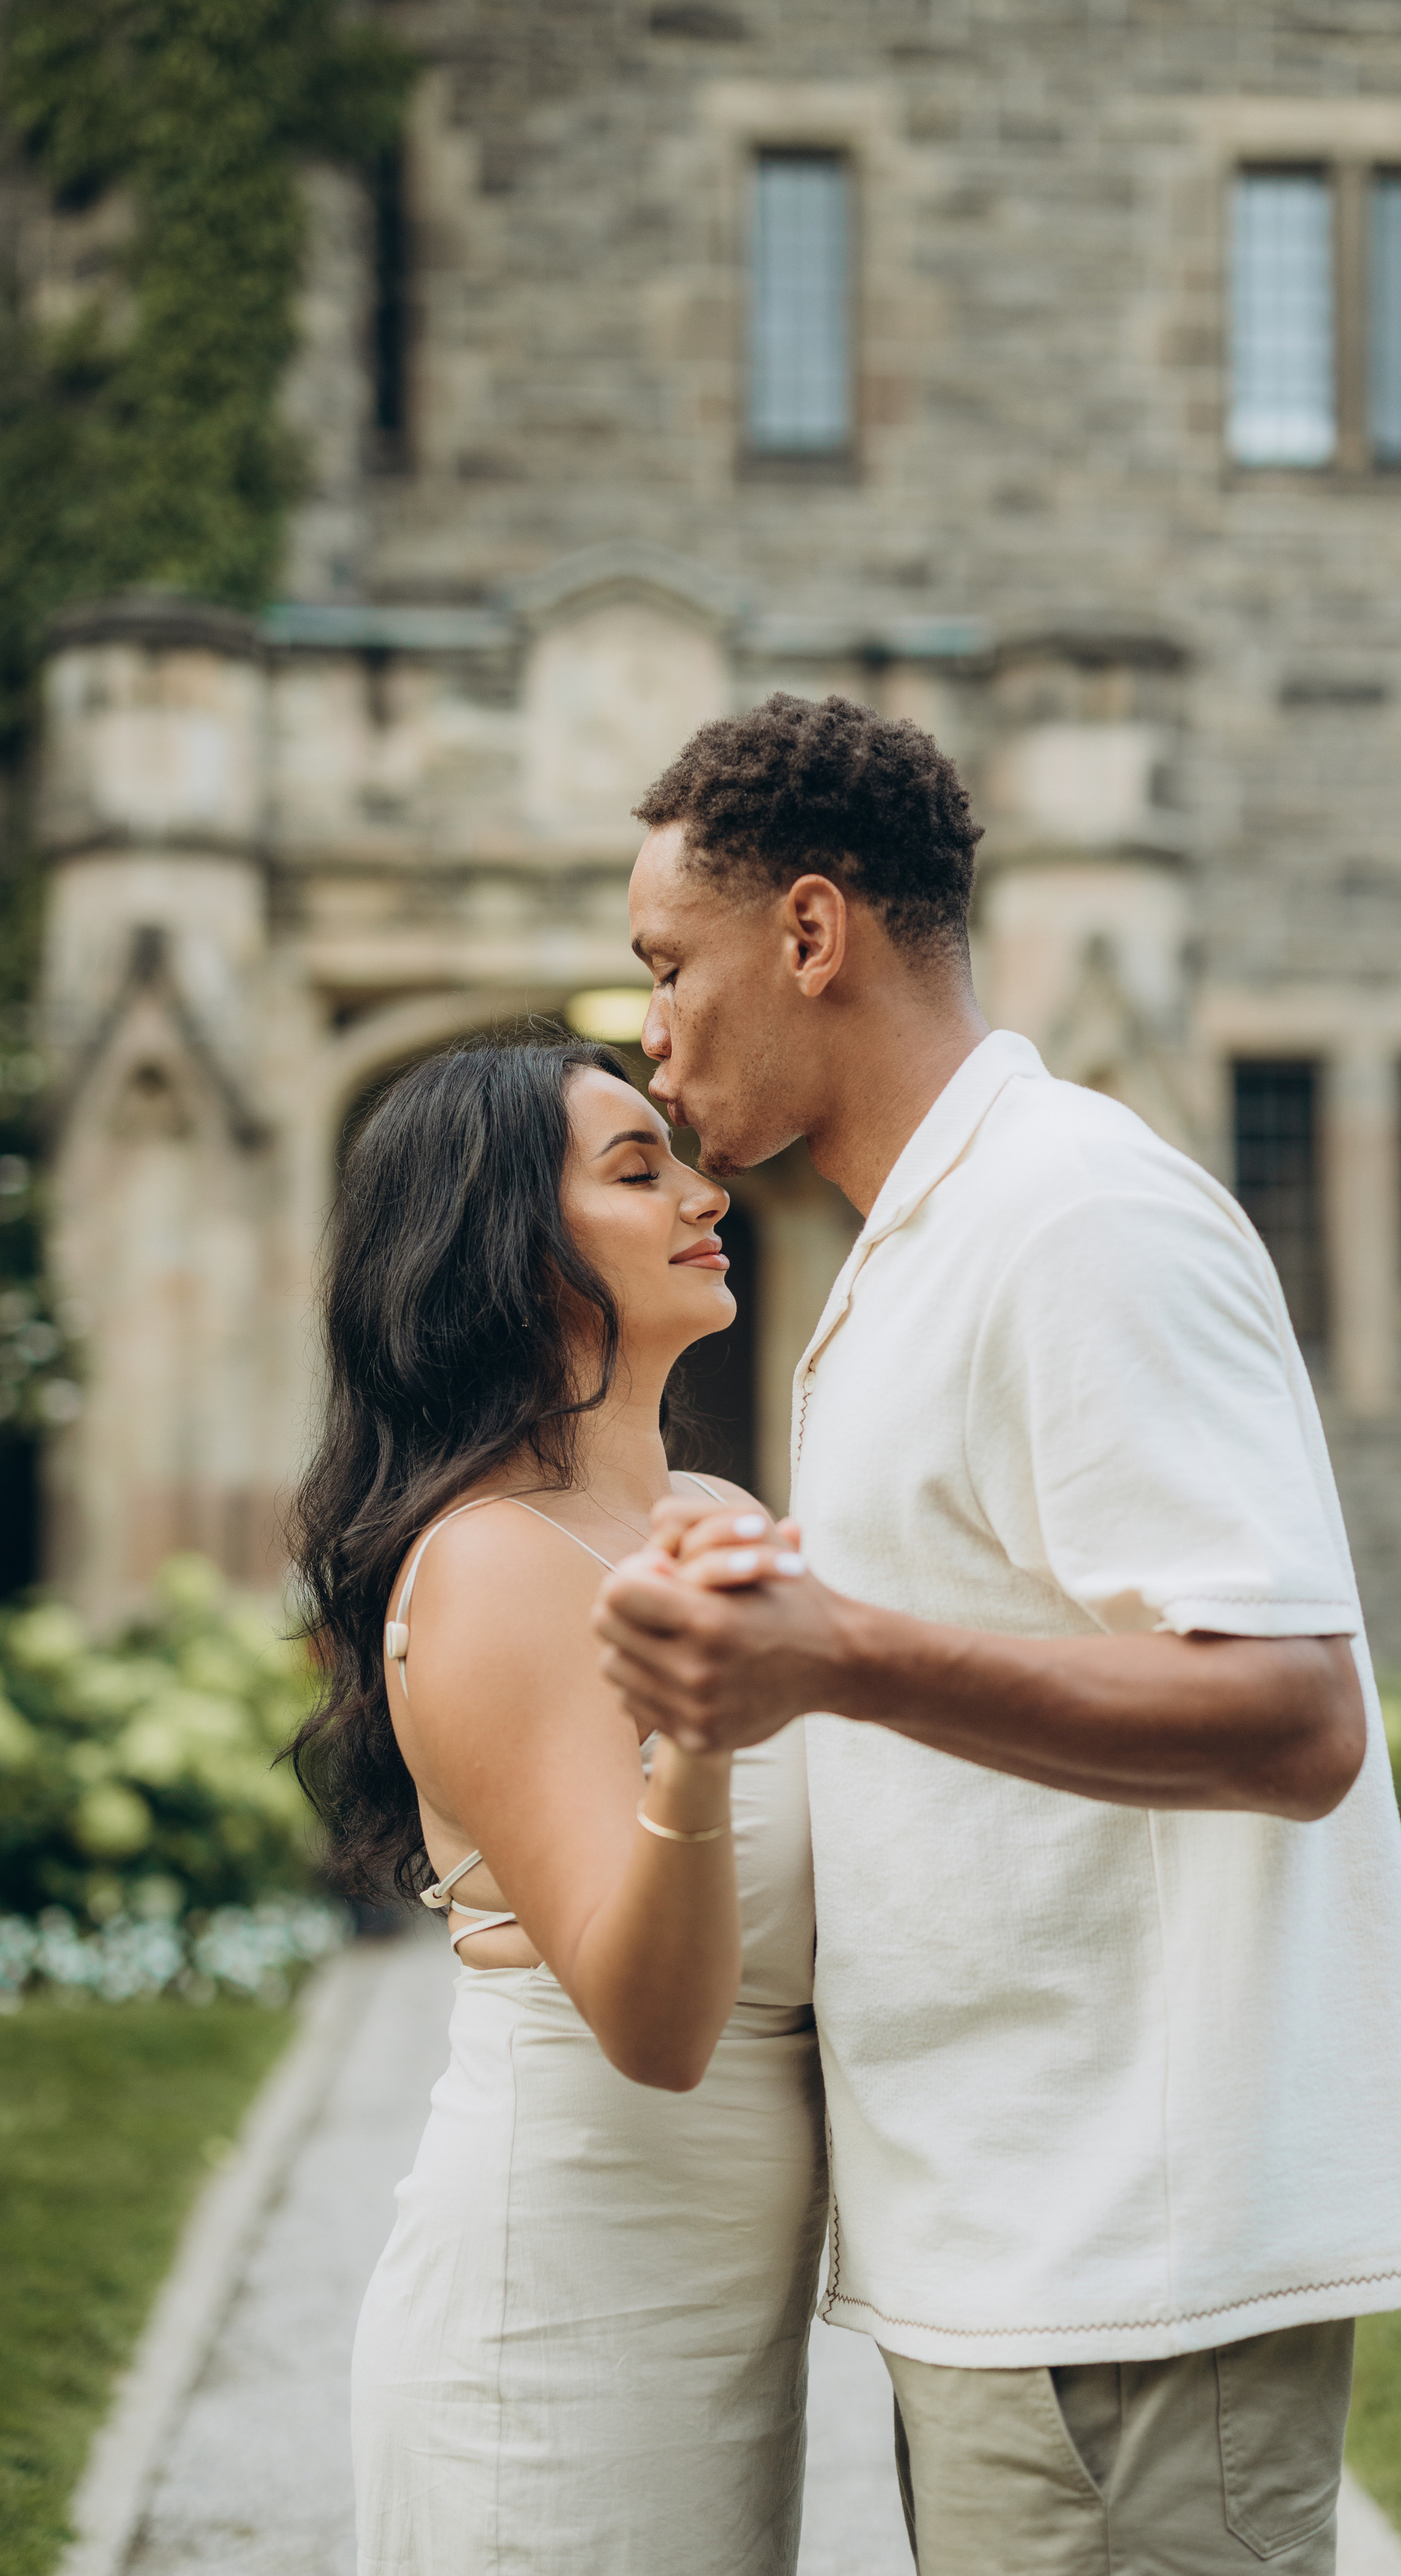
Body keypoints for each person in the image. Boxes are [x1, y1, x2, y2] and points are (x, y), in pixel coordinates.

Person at [595, 694, 1401, 2576]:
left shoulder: (1075, 1213)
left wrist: (838, 1654)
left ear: (814, 934)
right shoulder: (919, 1243)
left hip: (1133, 2275)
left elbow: (1288, 1713)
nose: (650, 1029)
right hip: (1014, 2259)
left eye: (667, 965)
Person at [288, 1037, 826, 2576]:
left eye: (681, 1156)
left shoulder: (717, 1522)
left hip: (731, 2329)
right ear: (509, 1251)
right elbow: (652, 2033)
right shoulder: (489, 1565)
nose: (706, 1192)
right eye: (636, 1169)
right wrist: (698, 1741)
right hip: (561, 2323)